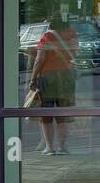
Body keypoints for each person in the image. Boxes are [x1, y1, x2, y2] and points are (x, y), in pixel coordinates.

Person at [30, 13, 77, 155]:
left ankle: (50, 147)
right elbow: (75, 54)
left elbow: (39, 60)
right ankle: (63, 147)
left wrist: (32, 78)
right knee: (62, 113)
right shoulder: (72, 35)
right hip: (66, 77)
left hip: (48, 77)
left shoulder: (47, 37)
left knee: (47, 113)